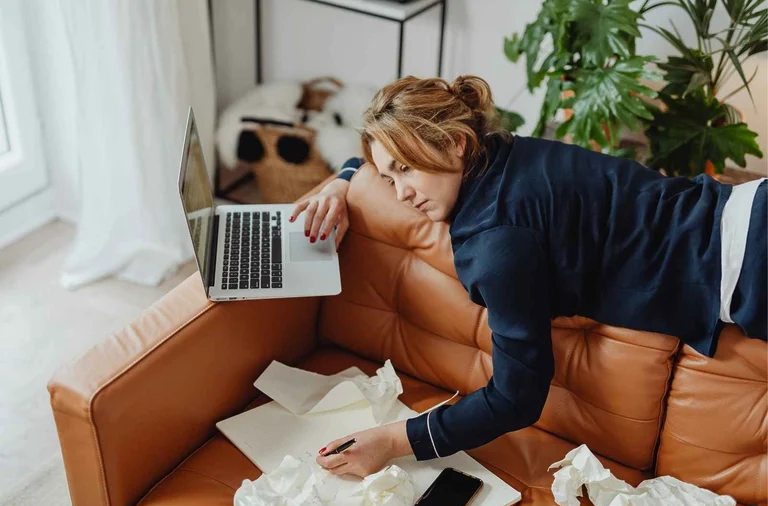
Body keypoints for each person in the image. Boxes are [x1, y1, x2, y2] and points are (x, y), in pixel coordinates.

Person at [288, 75, 767, 478]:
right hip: (745, 210)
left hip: (751, 267)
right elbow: (389, 153)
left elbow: (516, 398)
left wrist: (394, 440)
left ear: (455, 143)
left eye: (406, 169)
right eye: (390, 177)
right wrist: (343, 179)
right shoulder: (497, 151)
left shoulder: (497, 244)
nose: (400, 193)